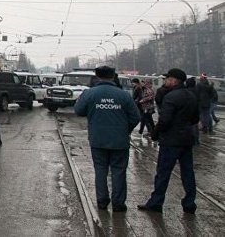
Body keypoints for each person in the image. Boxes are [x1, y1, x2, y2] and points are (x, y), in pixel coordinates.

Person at [74, 65, 140, 212]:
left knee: (100, 170)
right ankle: (118, 204)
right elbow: (136, 117)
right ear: (113, 76)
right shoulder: (123, 95)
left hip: (98, 139)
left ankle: (102, 201)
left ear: (97, 76)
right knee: (119, 171)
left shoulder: (89, 93)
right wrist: (125, 130)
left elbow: (78, 111)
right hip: (120, 140)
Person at [139, 68, 199, 214]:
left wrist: (155, 133)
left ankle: (156, 202)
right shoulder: (191, 96)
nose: (165, 81)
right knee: (187, 172)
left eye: (167, 79)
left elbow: (164, 120)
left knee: (163, 172)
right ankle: (189, 203)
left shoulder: (171, 97)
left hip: (171, 141)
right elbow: (195, 119)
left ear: (173, 80)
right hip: (187, 139)